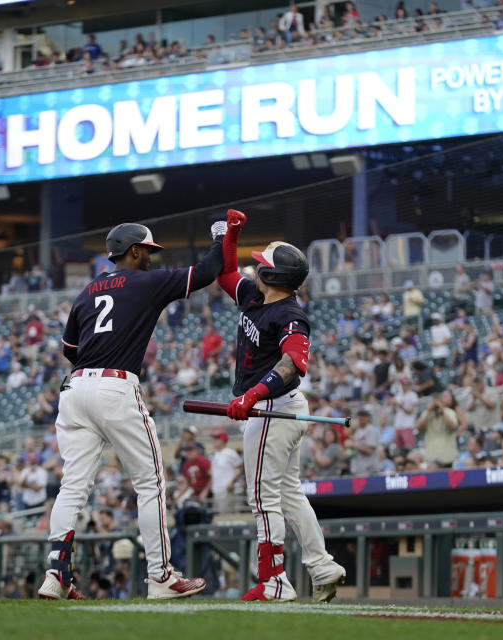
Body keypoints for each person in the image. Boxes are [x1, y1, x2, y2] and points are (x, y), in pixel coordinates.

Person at [39, 221, 224, 601]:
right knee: (151, 482)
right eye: (148, 251)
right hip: (114, 386)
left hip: (75, 389)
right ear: (134, 251)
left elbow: (69, 351)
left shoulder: (87, 290)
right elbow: (207, 272)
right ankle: (161, 576)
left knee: (73, 485)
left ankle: (56, 575)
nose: (150, 258)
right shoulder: (145, 282)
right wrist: (222, 238)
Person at [216, 209, 345, 602]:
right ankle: (322, 567)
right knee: (289, 493)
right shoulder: (257, 296)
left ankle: (274, 582)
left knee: (262, 496)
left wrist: (252, 395)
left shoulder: (290, 313)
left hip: (273, 409)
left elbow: (294, 366)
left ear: (272, 277)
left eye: (261, 267)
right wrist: (231, 237)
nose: (255, 270)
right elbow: (224, 275)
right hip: (276, 410)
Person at [210, 432, 243, 514]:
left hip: (226, 490)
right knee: (218, 518)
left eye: (217, 439)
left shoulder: (229, 453)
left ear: (222, 441)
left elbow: (240, 468)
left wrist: (232, 482)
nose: (214, 441)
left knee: (226, 517)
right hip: (216, 490)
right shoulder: (215, 454)